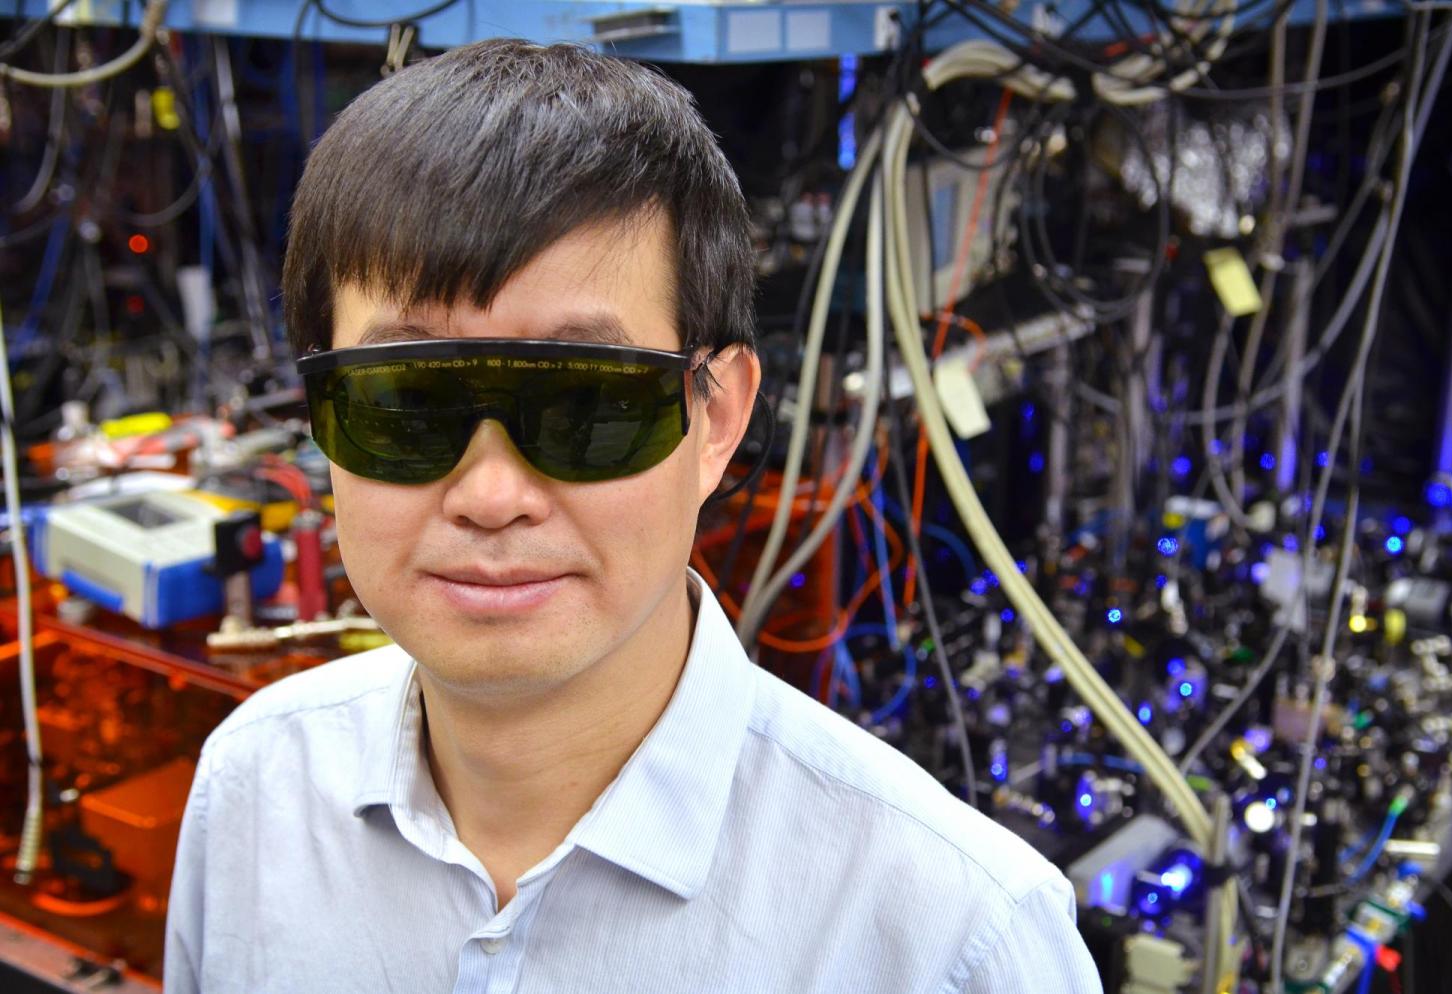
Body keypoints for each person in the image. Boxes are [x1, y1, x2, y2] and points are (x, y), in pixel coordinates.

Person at [164, 38, 1101, 994]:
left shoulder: (955, 941)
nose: (492, 497)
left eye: (589, 402)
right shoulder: (252, 792)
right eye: (407, 398)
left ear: (717, 420)